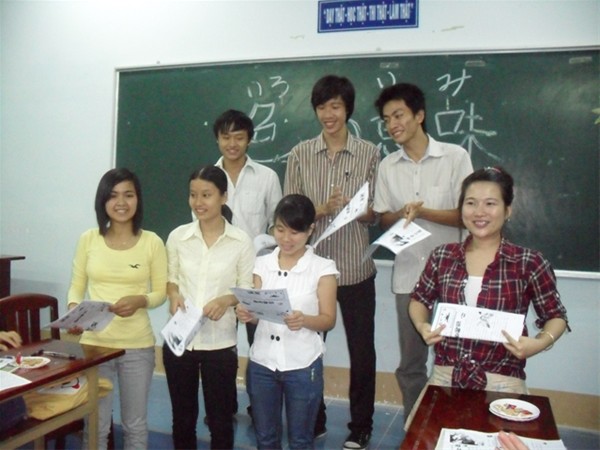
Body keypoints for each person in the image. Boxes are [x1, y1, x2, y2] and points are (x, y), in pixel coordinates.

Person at [408, 166, 569, 424]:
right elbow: (419, 299)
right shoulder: (443, 256)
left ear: (507, 210)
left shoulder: (528, 261)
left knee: (500, 440)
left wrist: (538, 343)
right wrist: (422, 325)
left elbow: (556, 316)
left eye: (490, 203)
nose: (479, 212)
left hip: (503, 380)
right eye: (471, 203)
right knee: (427, 438)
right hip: (446, 376)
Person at [284, 74, 379, 450]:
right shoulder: (300, 154)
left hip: (355, 268)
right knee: (307, 347)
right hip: (311, 269)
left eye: (335, 106)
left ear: (347, 109)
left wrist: (360, 210)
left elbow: (377, 213)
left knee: (362, 351)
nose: (329, 114)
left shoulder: (370, 153)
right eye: (322, 107)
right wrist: (322, 209)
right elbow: (290, 213)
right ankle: (315, 418)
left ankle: (361, 426)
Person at [372, 82, 473, 421]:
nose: (392, 124)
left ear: (419, 115)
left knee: (458, 358)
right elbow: (383, 216)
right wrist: (402, 214)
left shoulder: (455, 157)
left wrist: (424, 212)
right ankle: (415, 426)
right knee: (411, 363)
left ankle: (453, 427)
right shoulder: (387, 166)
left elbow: (469, 215)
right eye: (387, 119)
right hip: (408, 277)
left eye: (398, 115)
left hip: (454, 277)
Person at [67, 167, 167, 450]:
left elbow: (160, 292)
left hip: (137, 346)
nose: (121, 202)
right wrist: (75, 311)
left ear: (138, 199)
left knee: (135, 425)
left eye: (128, 195)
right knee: (95, 425)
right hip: (94, 346)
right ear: (103, 201)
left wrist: (141, 300)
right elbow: (76, 287)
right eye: (113, 196)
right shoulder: (88, 239)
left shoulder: (152, 242)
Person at [236, 194, 338, 450]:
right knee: (265, 439)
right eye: (280, 230)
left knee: (301, 440)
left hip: (302, 364)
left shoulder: (323, 268)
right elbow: (256, 311)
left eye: (295, 232)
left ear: (310, 230)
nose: (286, 238)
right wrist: (247, 314)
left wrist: (304, 320)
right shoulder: (261, 264)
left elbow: (328, 320)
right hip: (262, 363)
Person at [163, 165, 254, 450]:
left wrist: (226, 300)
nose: (198, 202)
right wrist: (173, 295)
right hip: (180, 341)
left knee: (220, 421)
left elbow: (246, 287)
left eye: (206, 195)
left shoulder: (241, 241)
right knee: (182, 419)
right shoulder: (178, 237)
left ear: (223, 197)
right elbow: (171, 279)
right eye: (193, 195)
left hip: (220, 343)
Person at [212, 109, 282, 417]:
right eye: (226, 137)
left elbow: (278, 224)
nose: (232, 144)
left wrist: (269, 239)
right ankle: (224, 406)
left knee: (259, 344)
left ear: (249, 140)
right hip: (220, 275)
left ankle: (259, 407)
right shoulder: (207, 177)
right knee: (222, 346)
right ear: (217, 139)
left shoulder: (267, 177)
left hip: (257, 275)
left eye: (239, 137)